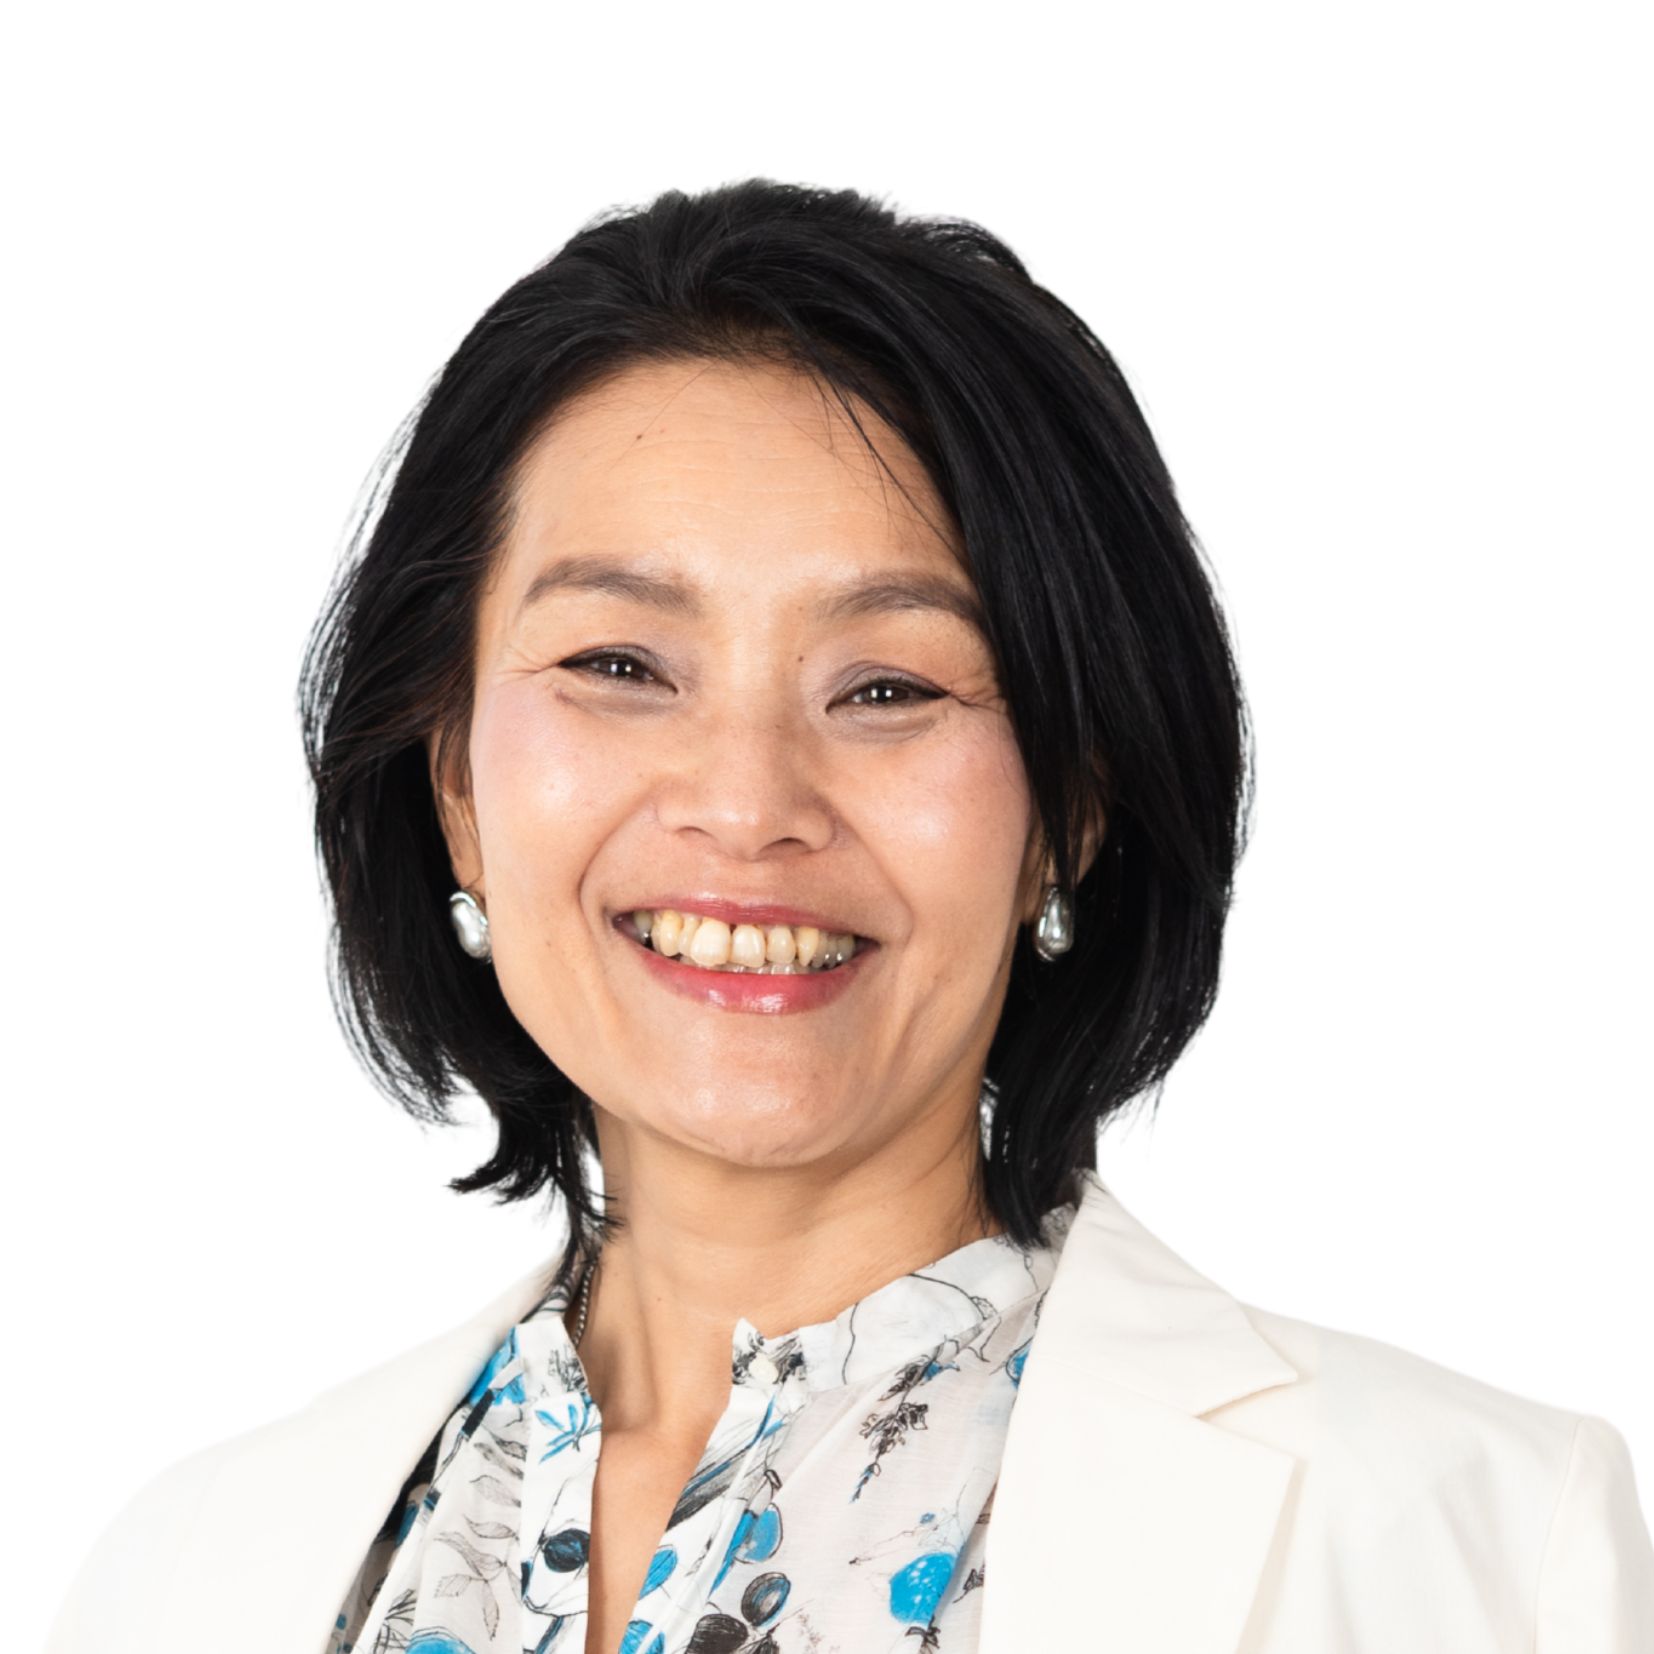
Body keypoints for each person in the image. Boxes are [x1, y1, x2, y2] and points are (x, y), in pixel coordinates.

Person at [47, 178, 1653, 1653]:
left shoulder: (1483, 1554)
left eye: (888, 685)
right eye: (619, 665)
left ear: (1070, 806)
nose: (746, 802)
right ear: (454, 777)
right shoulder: (180, 1572)